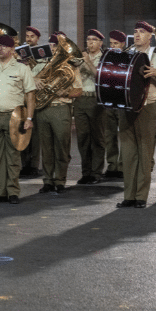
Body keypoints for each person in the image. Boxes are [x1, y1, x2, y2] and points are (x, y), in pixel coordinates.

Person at [115, 22, 156, 209]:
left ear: (150, 37)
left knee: (145, 152)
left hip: (148, 107)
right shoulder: (126, 55)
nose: (137, 35)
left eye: (142, 32)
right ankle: (129, 195)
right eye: (135, 31)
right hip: (127, 107)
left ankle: (141, 196)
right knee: (128, 153)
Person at [0, 34, 36, 204]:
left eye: (3, 46)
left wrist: (29, 117)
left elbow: (30, 95)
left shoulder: (21, 69)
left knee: (13, 156)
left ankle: (13, 191)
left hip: (14, 116)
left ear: (11, 49)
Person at [36, 34, 82, 194]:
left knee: (62, 145)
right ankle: (47, 180)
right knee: (46, 148)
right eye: (51, 46)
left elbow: (78, 90)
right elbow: (27, 84)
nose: (54, 49)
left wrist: (66, 93)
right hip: (43, 109)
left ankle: (60, 180)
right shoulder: (40, 65)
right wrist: (34, 79)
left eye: (56, 47)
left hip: (61, 109)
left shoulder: (71, 67)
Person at [75, 29, 106, 185]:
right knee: (82, 138)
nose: (90, 43)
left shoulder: (104, 57)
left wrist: (87, 62)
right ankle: (85, 172)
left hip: (95, 99)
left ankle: (96, 172)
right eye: (88, 40)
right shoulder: (80, 57)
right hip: (80, 98)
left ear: (100, 43)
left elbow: (100, 76)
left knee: (97, 137)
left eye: (94, 40)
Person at [19, 26, 43, 178]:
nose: (29, 39)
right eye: (27, 36)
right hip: (21, 98)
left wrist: (32, 77)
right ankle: (24, 164)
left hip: (35, 99)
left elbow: (43, 76)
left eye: (32, 36)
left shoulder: (42, 55)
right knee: (22, 131)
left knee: (34, 134)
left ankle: (34, 165)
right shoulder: (19, 56)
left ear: (37, 39)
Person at [103, 30, 126, 178]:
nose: (113, 46)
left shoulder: (128, 57)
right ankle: (112, 165)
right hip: (109, 100)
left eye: (116, 43)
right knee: (109, 135)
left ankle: (123, 166)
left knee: (124, 135)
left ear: (123, 44)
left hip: (122, 101)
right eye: (111, 43)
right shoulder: (106, 58)